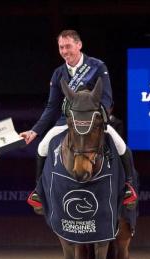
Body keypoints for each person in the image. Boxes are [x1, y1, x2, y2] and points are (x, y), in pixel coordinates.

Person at [19, 29, 135, 212]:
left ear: (79, 45)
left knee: (121, 146)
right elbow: (51, 107)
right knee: (42, 147)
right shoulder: (58, 74)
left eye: (68, 46)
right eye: (61, 47)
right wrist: (34, 131)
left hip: (94, 120)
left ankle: (129, 186)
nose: (64, 51)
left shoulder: (97, 66)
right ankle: (39, 191)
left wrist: (101, 119)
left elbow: (106, 98)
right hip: (67, 120)